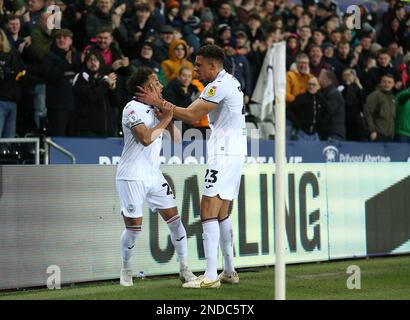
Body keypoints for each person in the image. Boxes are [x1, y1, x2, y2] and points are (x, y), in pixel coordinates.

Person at [137, 44, 247, 289]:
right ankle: (228, 271)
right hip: (234, 151)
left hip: (225, 152)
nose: (195, 69)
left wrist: (160, 102)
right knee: (222, 212)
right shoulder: (229, 81)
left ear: (212, 65)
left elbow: (190, 115)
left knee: (207, 208)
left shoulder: (218, 86)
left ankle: (209, 276)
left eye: (198, 64)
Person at [115, 67, 197, 287]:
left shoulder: (157, 108)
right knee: (133, 230)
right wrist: (166, 117)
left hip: (153, 175)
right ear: (144, 88)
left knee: (176, 222)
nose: (161, 86)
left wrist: (167, 117)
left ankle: (184, 269)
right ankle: (126, 269)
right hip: (131, 177)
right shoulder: (131, 108)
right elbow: (145, 138)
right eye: (156, 82)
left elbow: (178, 140)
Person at [286, 77, 326, 141]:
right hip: (301, 133)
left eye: (314, 84)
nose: (311, 86)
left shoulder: (321, 99)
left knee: (314, 151)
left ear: (318, 87)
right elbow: (288, 110)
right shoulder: (301, 97)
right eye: (309, 84)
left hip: (315, 134)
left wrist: (320, 126)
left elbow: (327, 113)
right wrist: (297, 123)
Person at [363, 74, 396, 142]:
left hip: (389, 136)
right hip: (377, 134)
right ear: (380, 82)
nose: (387, 84)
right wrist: (372, 131)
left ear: (393, 84)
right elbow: (367, 113)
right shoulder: (375, 95)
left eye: (389, 82)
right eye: (384, 81)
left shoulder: (393, 98)